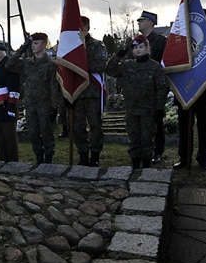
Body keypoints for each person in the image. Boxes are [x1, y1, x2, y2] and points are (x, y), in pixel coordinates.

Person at [105, 34, 168, 168]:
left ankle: (146, 164)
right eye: (135, 48)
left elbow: (161, 89)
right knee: (134, 138)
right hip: (132, 109)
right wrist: (119, 55)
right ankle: (134, 163)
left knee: (147, 139)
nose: (138, 50)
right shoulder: (127, 66)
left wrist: (159, 109)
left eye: (141, 47)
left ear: (147, 48)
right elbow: (110, 70)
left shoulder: (155, 67)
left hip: (148, 110)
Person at [172, 33, 206, 172]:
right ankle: (184, 158)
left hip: (204, 87)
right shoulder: (179, 40)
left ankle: (204, 158)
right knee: (184, 125)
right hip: (184, 87)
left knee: (205, 125)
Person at [7, 32, 59, 164]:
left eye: (36, 43)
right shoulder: (28, 63)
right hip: (30, 104)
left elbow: (54, 86)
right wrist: (22, 49)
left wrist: (54, 106)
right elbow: (9, 65)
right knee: (33, 133)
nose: (33, 46)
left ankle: (48, 159)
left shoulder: (50, 64)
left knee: (47, 133)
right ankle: (38, 157)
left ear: (44, 44)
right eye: (32, 44)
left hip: (45, 105)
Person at [71, 16, 107, 166]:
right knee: (78, 127)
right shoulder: (71, 48)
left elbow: (100, 65)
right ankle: (83, 155)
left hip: (92, 92)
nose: (79, 30)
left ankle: (95, 156)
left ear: (87, 28)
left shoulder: (98, 45)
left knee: (95, 126)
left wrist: (80, 64)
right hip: (76, 92)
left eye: (82, 27)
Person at [137, 10, 168, 163]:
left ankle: (158, 151)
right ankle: (141, 150)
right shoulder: (136, 41)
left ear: (150, 23)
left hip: (155, 90)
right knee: (139, 123)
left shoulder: (161, 41)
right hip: (139, 90)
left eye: (141, 20)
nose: (139, 23)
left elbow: (165, 65)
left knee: (157, 122)